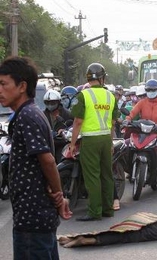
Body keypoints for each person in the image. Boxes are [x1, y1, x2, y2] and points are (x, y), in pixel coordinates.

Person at [0, 56, 72, 259]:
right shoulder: (32, 113)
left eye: (3, 84)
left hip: (32, 219)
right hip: (37, 217)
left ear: (22, 86)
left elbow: (47, 160)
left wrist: (59, 195)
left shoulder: (27, 116)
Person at [70, 63, 119, 221]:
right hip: (105, 139)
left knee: (92, 176)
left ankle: (94, 211)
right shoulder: (110, 96)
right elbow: (113, 122)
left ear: (88, 78)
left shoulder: (83, 95)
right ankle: (108, 209)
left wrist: (72, 144)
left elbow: (78, 121)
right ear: (102, 78)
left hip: (90, 140)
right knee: (107, 175)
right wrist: (111, 142)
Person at [43, 89, 68, 163]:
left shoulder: (67, 114)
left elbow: (73, 126)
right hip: (47, 145)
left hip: (63, 145)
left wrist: (64, 131)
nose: (50, 105)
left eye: (53, 102)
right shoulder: (43, 115)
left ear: (58, 102)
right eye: (48, 103)